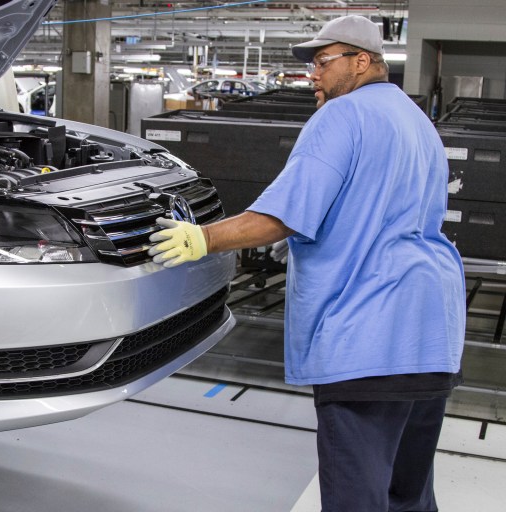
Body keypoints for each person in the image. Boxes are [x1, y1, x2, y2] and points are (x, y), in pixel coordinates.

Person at [148, 15, 466, 512]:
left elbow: (279, 215)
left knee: (356, 498)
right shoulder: (417, 121)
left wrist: (202, 237)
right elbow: (379, 210)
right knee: (409, 495)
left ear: (362, 62)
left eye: (322, 62)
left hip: (368, 336)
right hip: (430, 334)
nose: (312, 76)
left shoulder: (341, 116)